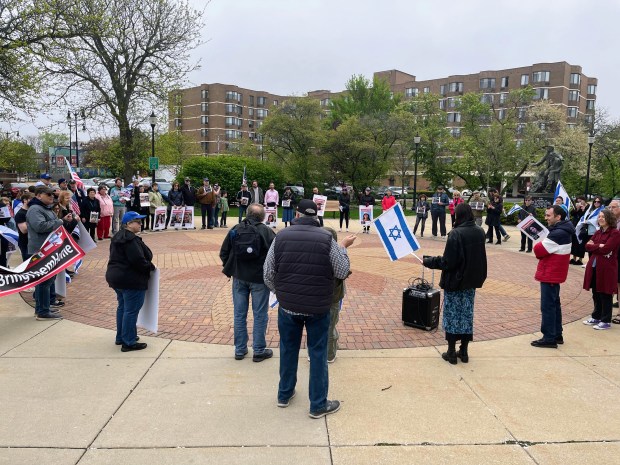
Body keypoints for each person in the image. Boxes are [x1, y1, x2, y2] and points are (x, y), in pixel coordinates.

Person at [263, 199, 355, 418]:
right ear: (316, 215)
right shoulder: (326, 238)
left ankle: (284, 394)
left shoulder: (281, 236)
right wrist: (342, 249)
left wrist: (282, 292)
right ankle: (318, 404)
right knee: (318, 353)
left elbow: (267, 274)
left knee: (287, 350)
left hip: (288, 306)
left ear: (296, 213)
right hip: (318, 307)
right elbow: (342, 271)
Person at [423, 203, 487, 364]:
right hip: (471, 282)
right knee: (466, 315)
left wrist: (430, 261)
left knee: (452, 317)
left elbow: (448, 262)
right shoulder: (480, 232)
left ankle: (451, 351)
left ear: (458, 216)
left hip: (455, 282)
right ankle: (464, 351)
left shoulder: (455, 234)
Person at [220, 203, 276, 361]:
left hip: (239, 278)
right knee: (260, 315)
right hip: (259, 279)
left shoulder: (236, 229)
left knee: (239, 315)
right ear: (263, 216)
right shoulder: (266, 231)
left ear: (247, 213)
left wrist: (230, 268)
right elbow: (276, 255)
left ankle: (240, 349)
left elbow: (224, 252)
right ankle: (258, 350)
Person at [105, 211, 155, 352]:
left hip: (116, 277)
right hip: (130, 279)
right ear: (128, 224)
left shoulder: (118, 237)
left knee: (123, 307)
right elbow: (139, 260)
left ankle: (122, 336)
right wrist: (150, 267)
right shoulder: (131, 240)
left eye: (140, 221)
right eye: (137, 222)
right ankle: (128, 341)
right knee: (131, 311)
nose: (140, 224)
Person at [531, 205, 575, 348]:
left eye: (549, 215)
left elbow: (539, 251)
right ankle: (556, 334)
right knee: (554, 305)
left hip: (550, 273)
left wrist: (537, 241)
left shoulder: (558, 233)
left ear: (558, 217)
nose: (546, 218)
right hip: (554, 273)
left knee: (548, 306)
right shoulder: (562, 230)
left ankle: (549, 338)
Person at [27, 186, 72, 320]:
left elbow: (53, 224)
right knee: (44, 281)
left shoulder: (44, 208)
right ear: (38, 195)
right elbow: (40, 226)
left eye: (52, 194)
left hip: (48, 248)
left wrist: (64, 220)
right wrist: (60, 221)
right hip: (41, 250)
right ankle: (43, 311)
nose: (52, 196)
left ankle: (42, 308)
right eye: (48, 194)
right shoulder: (35, 209)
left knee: (45, 281)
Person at [582, 209, 620, 330]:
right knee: (596, 292)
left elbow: (607, 249)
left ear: (609, 218)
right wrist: (599, 245)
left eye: (603, 216)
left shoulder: (615, 233)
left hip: (606, 268)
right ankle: (596, 316)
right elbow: (587, 246)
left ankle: (605, 320)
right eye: (599, 217)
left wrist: (595, 246)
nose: (600, 218)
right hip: (594, 266)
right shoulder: (598, 232)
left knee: (605, 293)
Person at [323, 227, 352, 363]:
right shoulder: (334, 255)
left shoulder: (312, 252)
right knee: (329, 326)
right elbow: (343, 271)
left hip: (314, 298)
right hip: (331, 297)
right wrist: (343, 248)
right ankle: (329, 355)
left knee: (316, 327)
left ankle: (314, 353)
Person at [570, 196, 589, 265]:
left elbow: (587, 216)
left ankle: (580, 259)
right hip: (575, 226)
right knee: (574, 242)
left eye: (581, 201)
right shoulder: (577, 207)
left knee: (581, 243)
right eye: (578, 201)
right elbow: (572, 214)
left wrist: (584, 210)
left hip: (582, 227)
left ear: (584, 200)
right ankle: (574, 258)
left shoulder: (588, 207)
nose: (579, 202)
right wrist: (577, 209)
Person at [14, 192, 33, 260]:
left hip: (34, 242)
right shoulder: (20, 214)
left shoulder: (33, 211)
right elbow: (24, 230)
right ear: (25, 200)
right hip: (26, 243)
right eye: (31, 199)